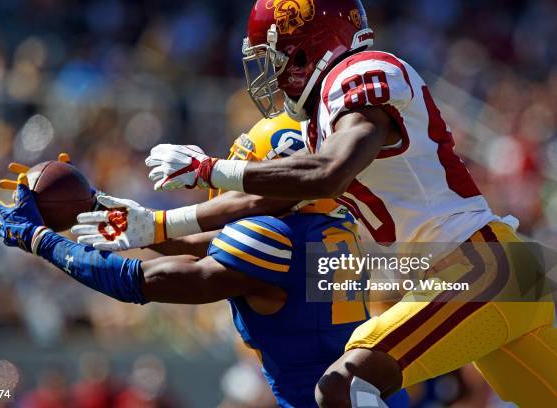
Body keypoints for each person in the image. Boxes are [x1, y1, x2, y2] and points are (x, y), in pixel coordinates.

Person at [141, 1, 556, 406]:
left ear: (306, 49)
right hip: (489, 274)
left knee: (345, 382)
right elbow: (262, 201)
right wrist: (158, 224)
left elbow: (329, 172)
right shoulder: (323, 128)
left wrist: (211, 170)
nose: (274, 75)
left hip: (479, 268)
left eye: (277, 59)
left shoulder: (361, 73)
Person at [0, 115, 409, 408]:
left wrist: (40, 241)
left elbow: (140, 281)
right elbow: (211, 250)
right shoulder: (331, 227)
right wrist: (100, 213)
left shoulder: (273, 242)